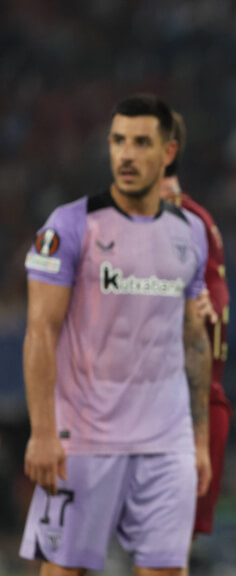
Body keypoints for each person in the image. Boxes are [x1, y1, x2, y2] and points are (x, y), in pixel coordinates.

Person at [20, 94, 212, 575]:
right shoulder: (69, 226)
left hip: (167, 443)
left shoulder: (191, 232)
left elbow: (193, 337)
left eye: (141, 142)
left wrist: (200, 440)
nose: (126, 154)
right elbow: (40, 331)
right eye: (118, 141)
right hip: (84, 440)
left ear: (168, 152)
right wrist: (43, 432)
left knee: (167, 570)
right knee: (62, 571)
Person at [161, 110, 233, 538]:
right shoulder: (98, 224)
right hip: (140, 405)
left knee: (168, 552)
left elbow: (208, 321)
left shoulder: (194, 222)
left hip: (190, 406)